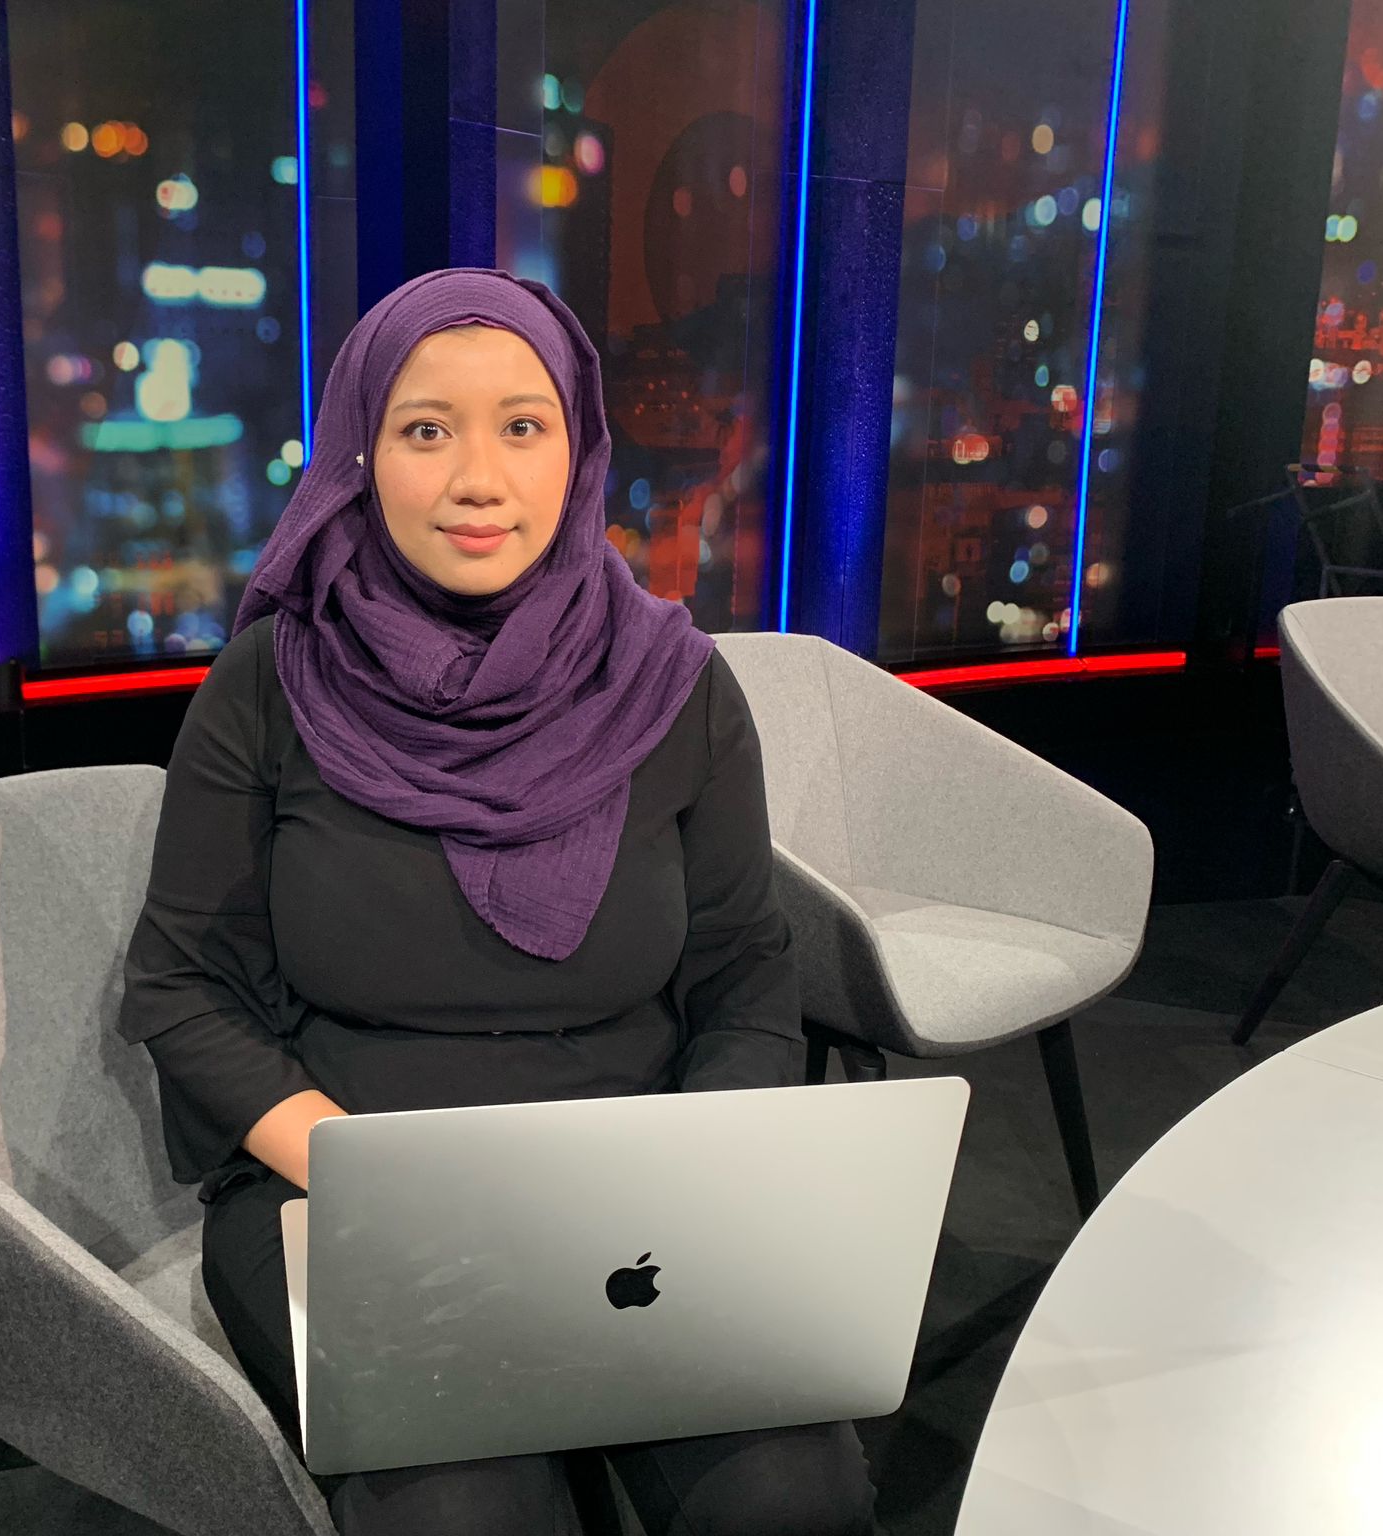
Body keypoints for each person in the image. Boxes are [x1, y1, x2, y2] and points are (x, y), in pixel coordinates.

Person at [118, 268, 875, 1536]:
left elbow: (745, 967)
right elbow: (181, 985)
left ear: (576, 449)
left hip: (631, 1179)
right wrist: (353, 1170)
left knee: (787, 1499)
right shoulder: (270, 681)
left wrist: (699, 1161)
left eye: (522, 426)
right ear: (361, 454)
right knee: (463, 1514)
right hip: (347, 1181)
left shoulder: (675, 686)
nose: (479, 478)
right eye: (426, 430)